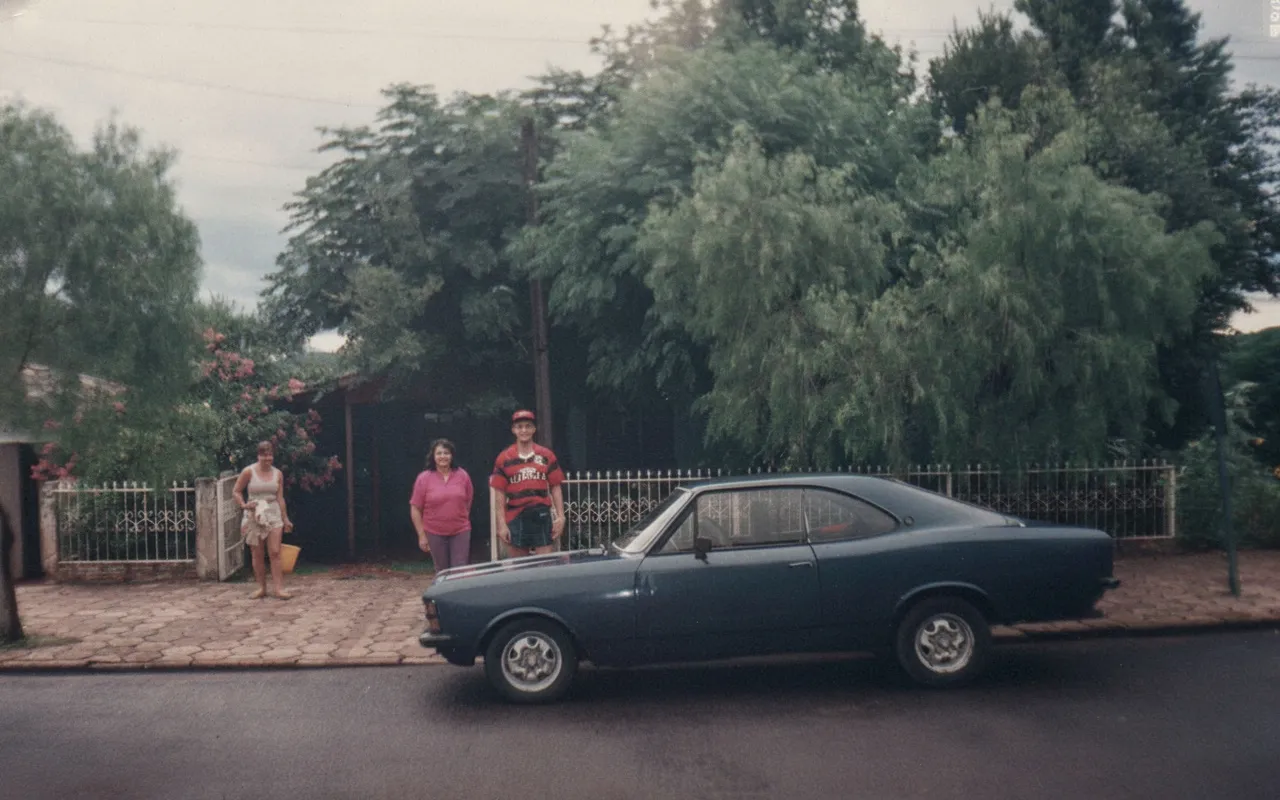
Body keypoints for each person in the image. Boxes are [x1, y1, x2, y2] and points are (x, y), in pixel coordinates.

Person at [490, 409, 565, 557]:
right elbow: (499, 493)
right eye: (519, 427)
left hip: (541, 514)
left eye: (527, 426)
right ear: (513, 430)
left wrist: (561, 516)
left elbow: (556, 487)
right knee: (519, 566)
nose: (524, 430)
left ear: (534, 429)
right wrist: (501, 524)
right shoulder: (503, 458)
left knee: (544, 564)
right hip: (515, 515)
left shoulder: (546, 455)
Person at [233, 441, 294, 600]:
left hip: (273, 512)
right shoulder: (249, 471)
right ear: (258, 456)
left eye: (270, 455)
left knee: (275, 551)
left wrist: (285, 518)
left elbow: (280, 498)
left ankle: (279, 588)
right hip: (254, 513)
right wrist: (244, 505)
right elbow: (237, 491)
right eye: (264, 456)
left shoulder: (278, 473)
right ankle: (261, 587)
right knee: (257, 553)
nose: (268, 459)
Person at [409, 438, 474, 572]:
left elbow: (468, 501)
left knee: (460, 571)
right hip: (434, 532)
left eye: (446, 453)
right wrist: (421, 535)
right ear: (433, 456)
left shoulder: (463, 476)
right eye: (439, 453)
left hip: (460, 531)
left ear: (452, 455)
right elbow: (415, 508)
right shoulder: (424, 478)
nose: (443, 456)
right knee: (442, 571)